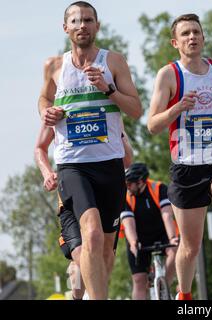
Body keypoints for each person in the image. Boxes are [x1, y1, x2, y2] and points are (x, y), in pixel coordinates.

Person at [37, 1, 142, 299]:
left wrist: (108, 88)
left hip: (109, 164)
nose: (82, 25)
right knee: (91, 235)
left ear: (97, 25)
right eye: (76, 20)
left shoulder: (114, 62)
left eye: (88, 20)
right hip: (72, 165)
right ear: (66, 27)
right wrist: (47, 112)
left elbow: (135, 109)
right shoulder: (54, 66)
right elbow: (43, 100)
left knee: (106, 252)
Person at [147, 13, 212, 300]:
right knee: (190, 245)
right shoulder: (169, 74)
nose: (192, 37)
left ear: (203, 38)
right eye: (185, 34)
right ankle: (184, 294)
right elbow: (152, 124)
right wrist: (176, 109)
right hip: (186, 165)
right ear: (175, 42)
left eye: (196, 32)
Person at [34, 123, 133, 300]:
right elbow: (40, 148)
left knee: (103, 256)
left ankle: (84, 294)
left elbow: (128, 160)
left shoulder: (107, 108)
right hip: (71, 198)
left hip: (105, 192)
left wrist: (118, 134)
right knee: (82, 253)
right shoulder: (60, 107)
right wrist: (47, 173)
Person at [119, 163, 179, 300]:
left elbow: (167, 215)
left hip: (162, 233)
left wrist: (172, 238)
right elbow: (128, 224)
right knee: (139, 280)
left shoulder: (159, 189)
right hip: (139, 238)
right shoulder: (125, 197)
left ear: (140, 182)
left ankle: (165, 287)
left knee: (174, 251)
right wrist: (134, 243)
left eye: (129, 184)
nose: (127, 187)